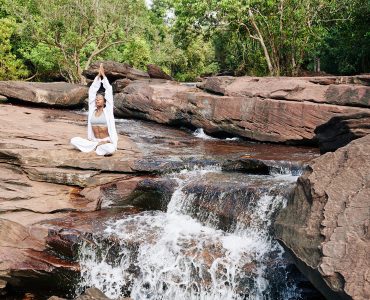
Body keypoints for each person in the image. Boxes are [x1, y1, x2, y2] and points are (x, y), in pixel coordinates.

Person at [71, 63, 118, 156]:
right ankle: (97, 147)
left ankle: (99, 148)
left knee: (111, 149)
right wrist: (97, 77)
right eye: (96, 99)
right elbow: (92, 91)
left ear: (104, 102)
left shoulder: (108, 111)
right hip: (94, 141)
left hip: (106, 141)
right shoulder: (92, 110)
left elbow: (108, 90)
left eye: (99, 99)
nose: (97, 100)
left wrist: (103, 76)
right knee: (73, 140)